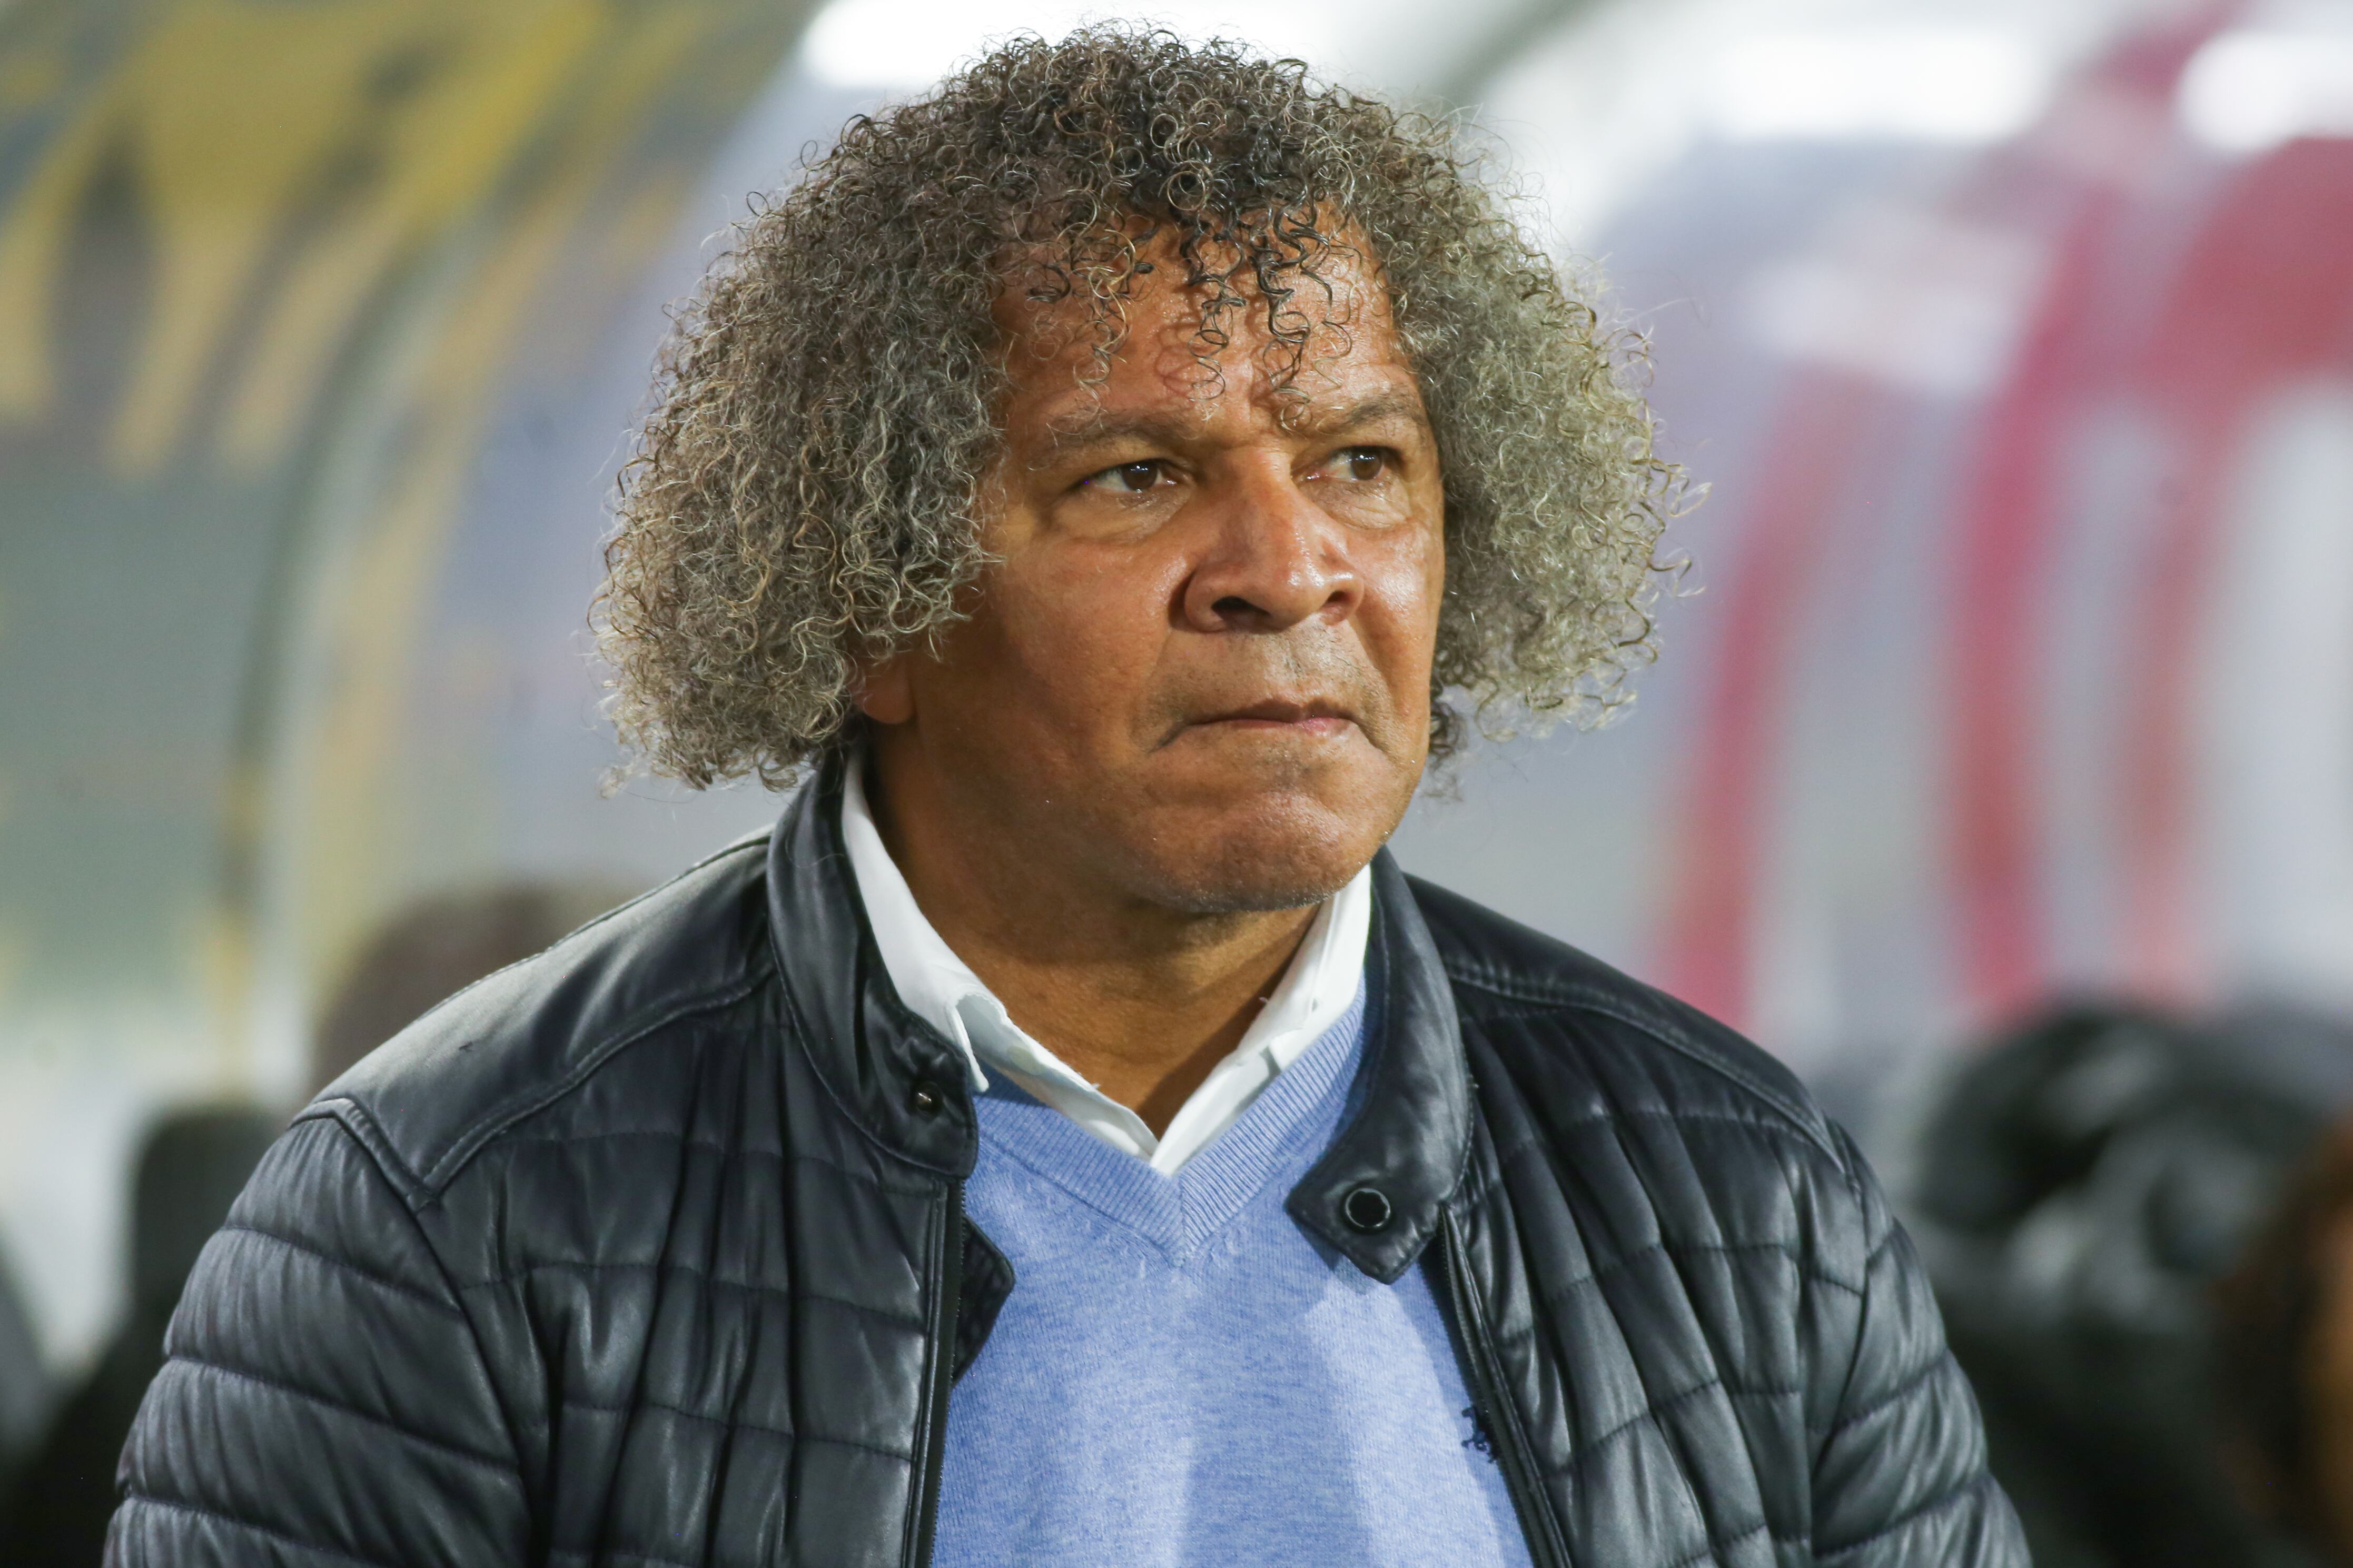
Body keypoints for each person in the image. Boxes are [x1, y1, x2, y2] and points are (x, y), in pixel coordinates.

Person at [109, 30, 2023, 1566]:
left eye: (1362, 461)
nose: (1288, 566)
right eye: (1131, 476)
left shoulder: (1727, 1186)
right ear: (870, 594)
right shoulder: (447, 1207)